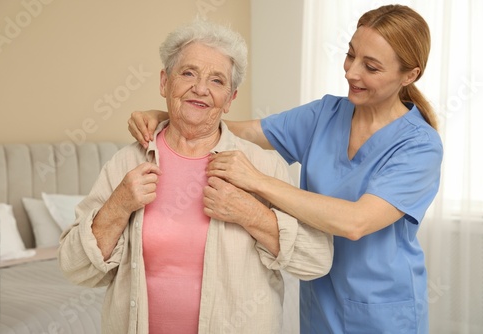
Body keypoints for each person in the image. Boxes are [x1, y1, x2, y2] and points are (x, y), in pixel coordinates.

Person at [128, 4, 443, 334]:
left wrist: (259, 182)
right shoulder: (326, 114)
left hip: (383, 310)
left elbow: (355, 221)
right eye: (351, 55)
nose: (351, 72)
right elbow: (242, 131)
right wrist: (171, 116)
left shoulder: (420, 146)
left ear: (410, 75)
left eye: (371, 67)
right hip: (321, 298)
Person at [58, 19, 333, 334]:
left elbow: (316, 261)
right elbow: (74, 268)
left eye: (217, 80)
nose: (200, 88)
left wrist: (251, 213)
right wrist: (119, 205)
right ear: (165, 82)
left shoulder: (262, 167)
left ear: (230, 98)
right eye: (188, 73)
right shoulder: (126, 163)